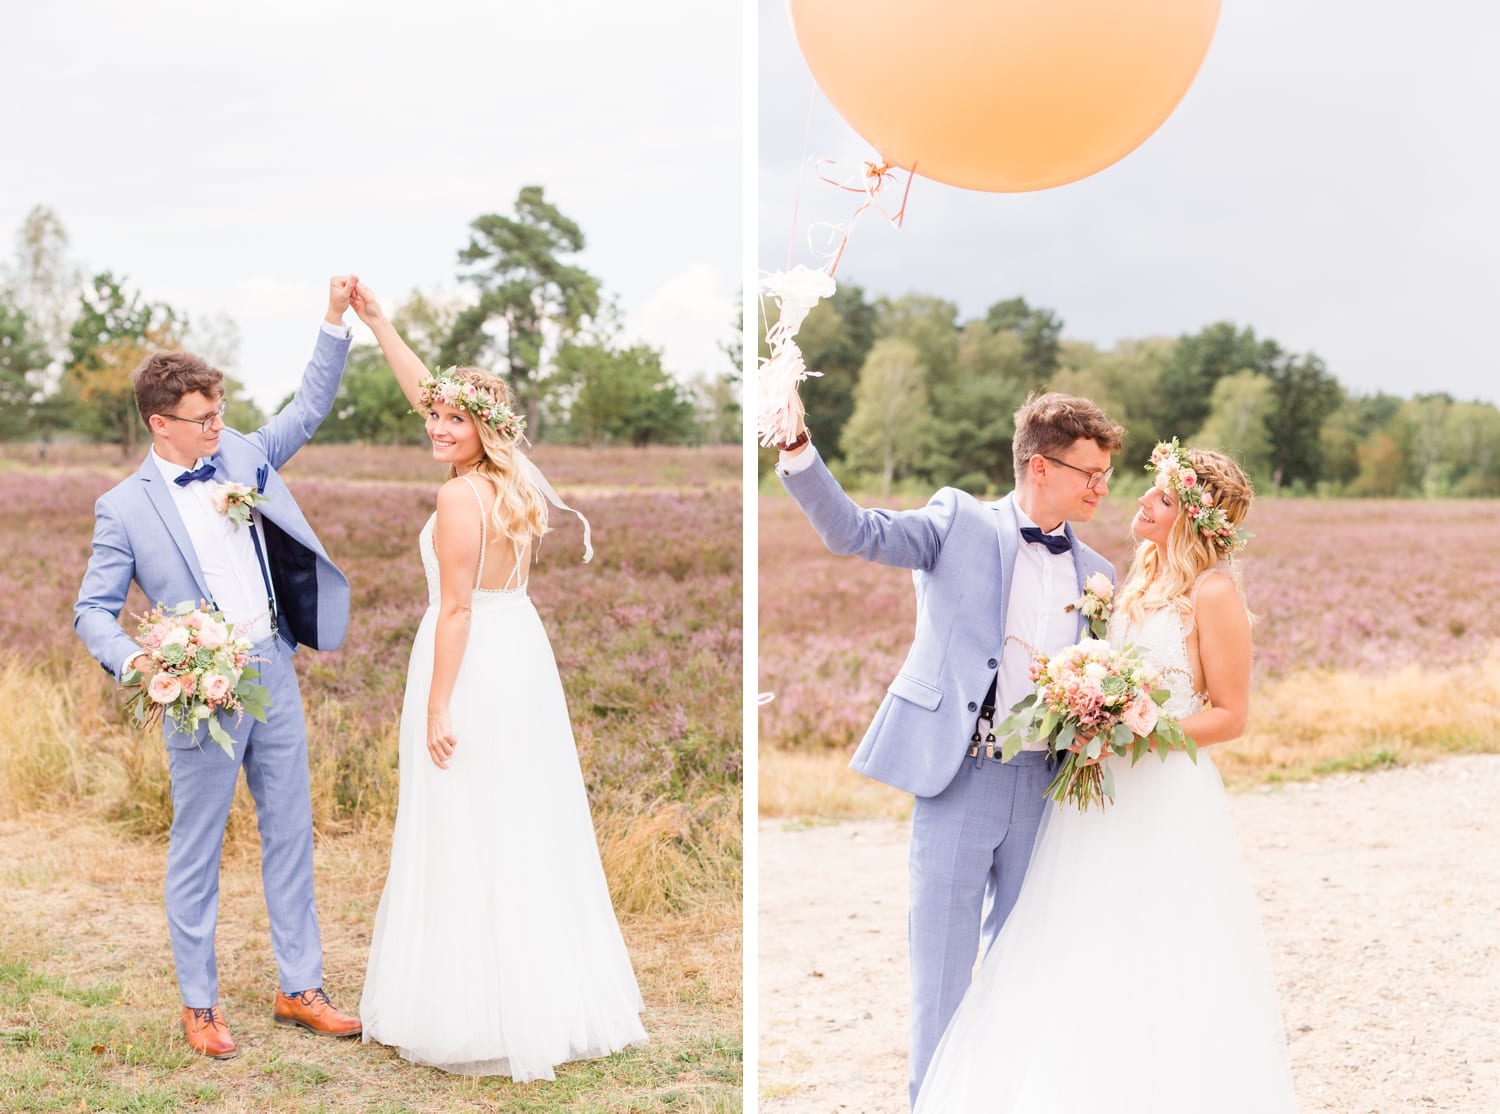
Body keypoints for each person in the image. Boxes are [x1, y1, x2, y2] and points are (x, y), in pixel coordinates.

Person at [913, 444, 1300, 1113]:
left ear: (1195, 521)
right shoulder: (1134, 577)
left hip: (1163, 794)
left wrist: (1145, 729)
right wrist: (1083, 706)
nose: (1143, 502)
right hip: (1095, 793)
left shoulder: (1213, 593)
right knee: (1075, 942)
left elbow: (1232, 715)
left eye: (1163, 499)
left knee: (1154, 941)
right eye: (1151, 491)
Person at [775, 393, 1124, 1106]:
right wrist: (797, 447)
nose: (1100, 487)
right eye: (1089, 471)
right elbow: (855, 533)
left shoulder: (1101, 575)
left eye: (1106, 474)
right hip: (958, 775)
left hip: (1045, 789)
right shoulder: (960, 521)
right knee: (940, 977)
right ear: (1039, 466)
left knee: (1025, 967)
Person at [350, 283, 647, 1080]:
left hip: (475, 657)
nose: (438, 427)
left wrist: (439, 702)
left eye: (454, 419)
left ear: (485, 429)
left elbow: (454, 611)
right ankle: (538, 993)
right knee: (517, 818)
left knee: (463, 817)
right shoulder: (511, 486)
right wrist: (379, 324)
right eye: (435, 417)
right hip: (522, 651)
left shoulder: (457, 494)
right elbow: (433, 393)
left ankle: (470, 1006)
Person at [73, 276, 363, 1059]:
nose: (218, 429)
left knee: (291, 832)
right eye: (202, 420)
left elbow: (306, 409)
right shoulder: (123, 507)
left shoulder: (238, 451)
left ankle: (300, 987)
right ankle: (199, 1005)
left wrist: (333, 319)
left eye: (221, 412)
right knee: (197, 843)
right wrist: (143, 662)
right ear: (159, 424)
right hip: (201, 688)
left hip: (273, 661)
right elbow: (91, 611)